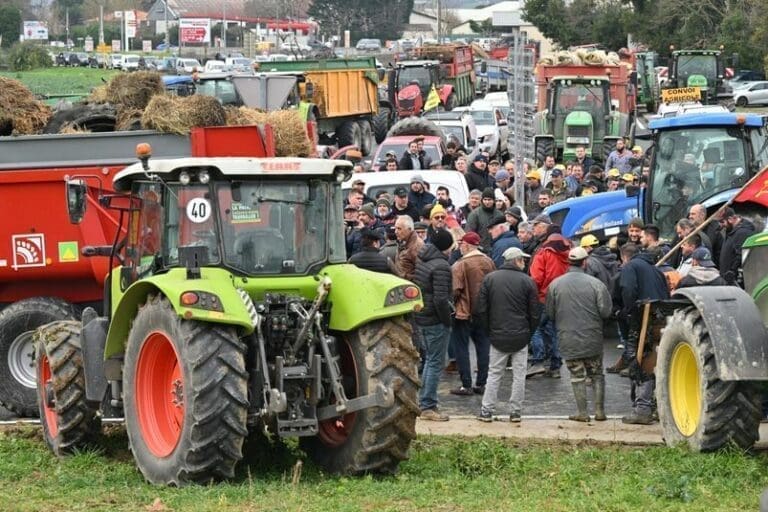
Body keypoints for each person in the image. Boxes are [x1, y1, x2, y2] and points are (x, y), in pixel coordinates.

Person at [546, 247, 613, 422]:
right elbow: (606, 312)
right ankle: (600, 412)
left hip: (568, 338)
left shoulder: (555, 285)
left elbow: (551, 314)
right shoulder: (596, 284)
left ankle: (582, 413)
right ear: (585, 262)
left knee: (576, 376)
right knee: (597, 374)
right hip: (593, 337)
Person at [474, 247, 540, 423]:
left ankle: (486, 411)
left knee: (494, 373)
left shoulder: (490, 279)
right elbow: (534, 313)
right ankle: (515, 412)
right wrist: (529, 332)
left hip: (497, 334)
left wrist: (490, 330)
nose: (524, 263)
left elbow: (481, 309)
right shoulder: (528, 281)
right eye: (523, 260)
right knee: (519, 375)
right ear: (517, 260)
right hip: (521, 335)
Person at [618, 243, 670, 424]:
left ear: (624, 256)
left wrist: (629, 311)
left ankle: (643, 408)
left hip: (643, 319)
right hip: (659, 319)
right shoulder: (655, 270)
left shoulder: (630, 267)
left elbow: (628, 289)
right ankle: (653, 406)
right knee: (655, 361)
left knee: (639, 362)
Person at [413, 228, 455, 421]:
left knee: (429, 360)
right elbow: (440, 299)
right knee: (435, 362)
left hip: (422, 315)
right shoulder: (441, 266)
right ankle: (428, 405)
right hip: (435, 320)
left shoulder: (423, 259)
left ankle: (424, 402)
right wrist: (447, 321)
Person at [449, 232, 495, 396]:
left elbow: (455, 289)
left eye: (461, 244)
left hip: (463, 313)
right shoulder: (489, 262)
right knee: (483, 347)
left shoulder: (460, 265)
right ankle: (482, 383)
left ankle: (466, 385)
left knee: (461, 348)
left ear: (467, 245)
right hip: (483, 312)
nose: (460, 247)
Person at [527, 232, 571, 378]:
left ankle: (538, 361)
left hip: (543, 298)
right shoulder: (569, 254)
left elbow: (536, 278)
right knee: (555, 331)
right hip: (562, 298)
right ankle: (555, 365)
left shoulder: (544, 253)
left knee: (535, 328)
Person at [717, 207, 755, 286]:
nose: (721, 225)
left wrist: (732, 271)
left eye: (722, 221)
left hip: (736, 282)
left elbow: (741, 255)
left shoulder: (743, 233)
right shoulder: (731, 231)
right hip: (728, 280)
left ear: (730, 219)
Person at [466, 188, 504, 252]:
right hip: (480, 249)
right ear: (482, 200)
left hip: (496, 248)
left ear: (494, 200)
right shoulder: (475, 214)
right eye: (485, 199)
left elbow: (503, 232)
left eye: (489, 200)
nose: (487, 202)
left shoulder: (499, 214)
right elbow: (469, 232)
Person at [393, 215, 424, 282]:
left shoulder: (417, 246)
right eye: (395, 228)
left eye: (399, 229)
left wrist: (405, 276)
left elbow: (422, 273)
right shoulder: (403, 240)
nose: (395, 232)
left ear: (409, 229)